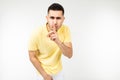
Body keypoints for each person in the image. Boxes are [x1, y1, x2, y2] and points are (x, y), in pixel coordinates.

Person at [28, 3, 73, 80]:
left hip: (59, 71)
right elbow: (32, 57)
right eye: (52, 18)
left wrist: (58, 41)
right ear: (47, 18)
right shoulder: (37, 33)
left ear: (63, 19)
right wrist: (45, 76)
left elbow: (69, 55)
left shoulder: (65, 29)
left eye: (58, 18)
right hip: (42, 73)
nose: (55, 22)